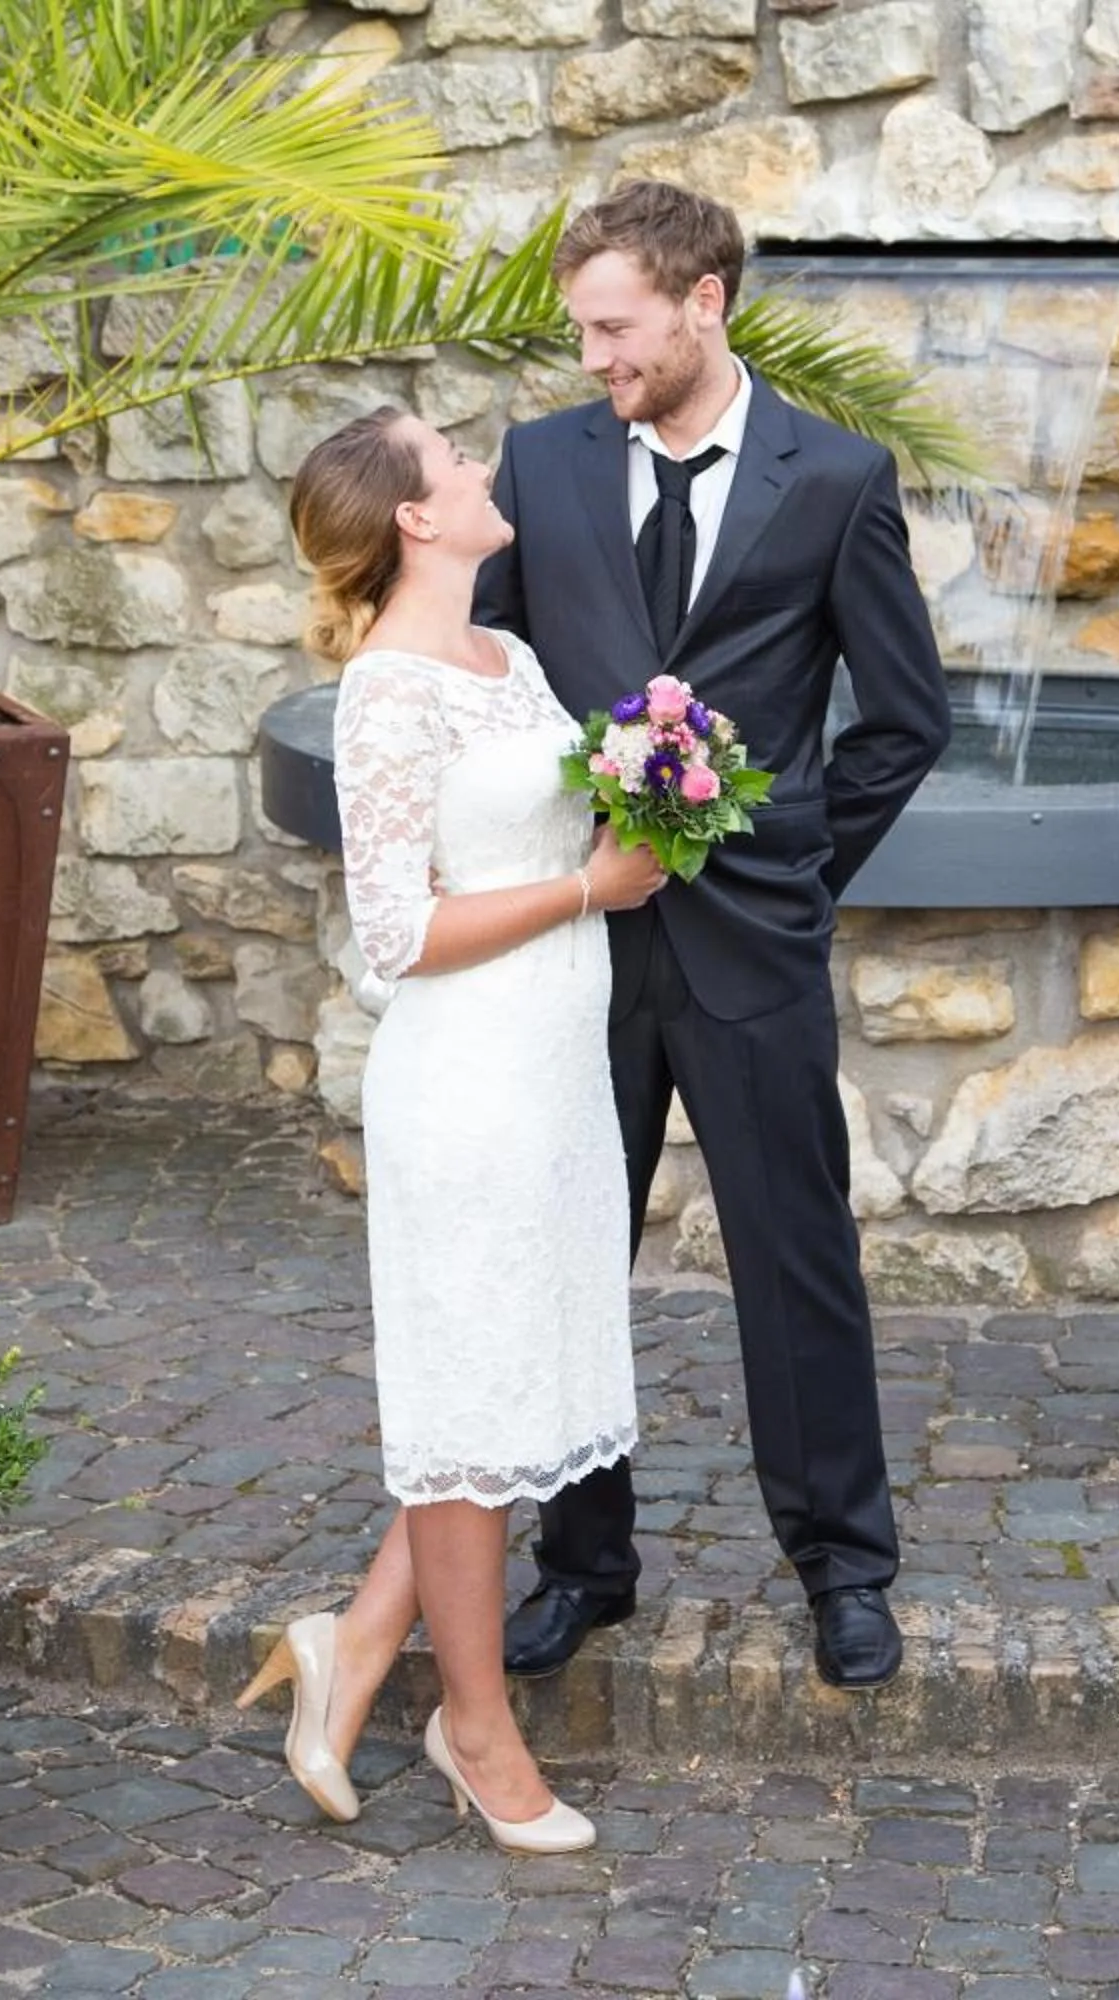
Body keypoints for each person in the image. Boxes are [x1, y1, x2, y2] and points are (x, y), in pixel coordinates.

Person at [476, 180, 953, 1691]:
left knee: (796, 1258)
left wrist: (793, 859)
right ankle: (583, 1565)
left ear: (704, 302)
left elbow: (905, 718)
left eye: (615, 327)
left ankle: (844, 1569)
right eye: (582, 331)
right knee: (570, 1253)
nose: (595, 358)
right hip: (578, 945)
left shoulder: (838, 478)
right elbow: (492, 683)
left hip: (754, 938)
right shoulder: (541, 465)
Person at [233, 406, 665, 1851]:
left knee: (506, 1390)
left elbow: (536, 832)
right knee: (473, 1409)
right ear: (417, 517)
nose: (486, 467)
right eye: (457, 459)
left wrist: (648, 813)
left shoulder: (511, 658)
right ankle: (475, 1732)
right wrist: (590, 891)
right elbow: (397, 934)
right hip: (468, 1087)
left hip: (556, 1078)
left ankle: (353, 1643)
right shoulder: (386, 693)